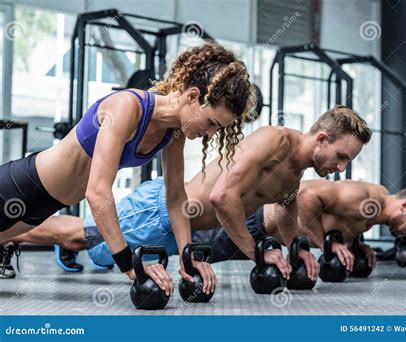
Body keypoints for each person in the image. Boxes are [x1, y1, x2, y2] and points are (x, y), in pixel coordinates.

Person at [4, 106, 372, 284]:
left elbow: (288, 207)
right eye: (342, 157)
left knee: (89, 243)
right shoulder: (274, 141)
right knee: (79, 236)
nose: (341, 169)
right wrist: (259, 251)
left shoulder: (297, 169)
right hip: (161, 212)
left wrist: (298, 248)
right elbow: (223, 197)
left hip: (182, 231)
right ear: (321, 138)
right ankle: (10, 236)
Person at [0, 43, 256, 296]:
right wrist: (129, 265)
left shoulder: (173, 133)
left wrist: (187, 256)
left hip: (38, 211)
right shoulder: (127, 107)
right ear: (192, 96)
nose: (210, 134)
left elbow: (176, 196)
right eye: (211, 122)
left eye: (217, 129)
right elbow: (97, 191)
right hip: (17, 189)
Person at [195, 180, 406, 271]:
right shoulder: (369, 199)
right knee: (188, 252)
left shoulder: (375, 209)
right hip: (258, 224)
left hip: (268, 241)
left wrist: (356, 244)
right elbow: (306, 194)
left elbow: (340, 221)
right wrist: (327, 245)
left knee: (198, 257)